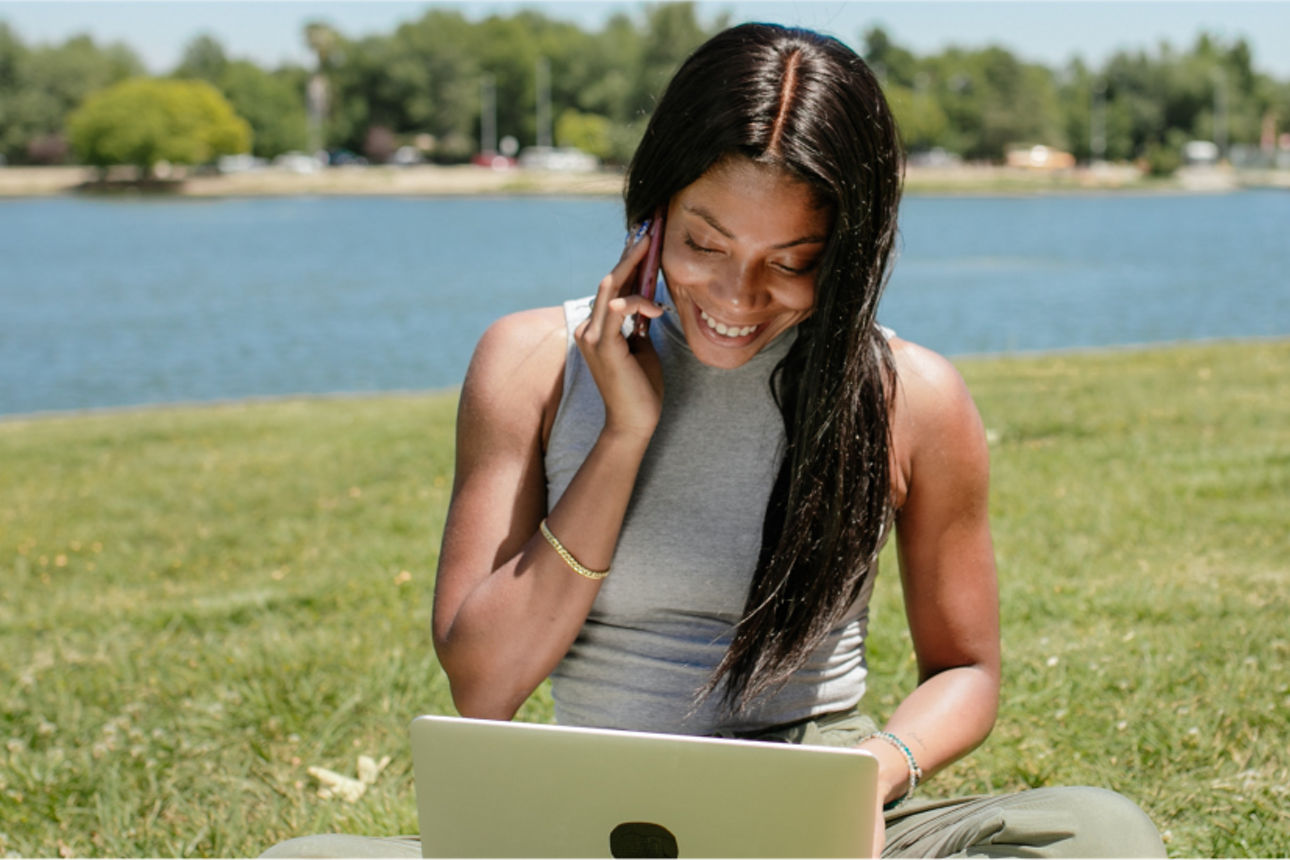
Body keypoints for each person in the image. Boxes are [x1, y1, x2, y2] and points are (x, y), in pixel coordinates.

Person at [264, 23, 1166, 858]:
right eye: (705, 244)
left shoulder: (911, 396)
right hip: (593, 815)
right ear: (652, 211)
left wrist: (873, 775)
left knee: (1101, 835)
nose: (738, 298)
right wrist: (624, 434)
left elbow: (966, 669)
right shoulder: (528, 364)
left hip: (821, 808)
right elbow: (483, 685)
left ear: (848, 251)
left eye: (792, 262)